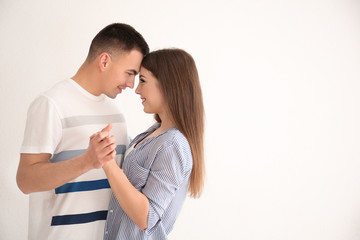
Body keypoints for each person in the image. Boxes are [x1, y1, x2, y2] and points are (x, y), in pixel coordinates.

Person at [16, 23, 149, 240]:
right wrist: (86, 161)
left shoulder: (116, 111)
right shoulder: (51, 104)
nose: (132, 84)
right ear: (104, 60)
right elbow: (25, 180)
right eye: (129, 73)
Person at [99, 48, 205, 240]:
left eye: (143, 80)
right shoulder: (153, 134)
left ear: (168, 84)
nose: (137, 89)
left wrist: (107, 163)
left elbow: (146, 218)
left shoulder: (172, 144)